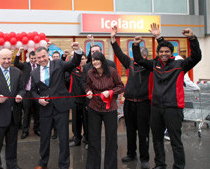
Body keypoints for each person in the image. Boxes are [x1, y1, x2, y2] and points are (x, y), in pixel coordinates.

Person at [132, 28, 202, 169]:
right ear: (157, 54)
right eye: (161, 52)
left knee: (176, 140)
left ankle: (179, 166)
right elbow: (139, 59)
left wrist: (192, 39)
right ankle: (160, 165)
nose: (163, 54)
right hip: (156, 107)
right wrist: (135, 45)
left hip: (173, 108)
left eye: (166, 52)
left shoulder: (180, 65)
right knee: (157, 139)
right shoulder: (154, 65)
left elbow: (196, 57)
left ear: (171, 54)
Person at [110, 24, 163, 169]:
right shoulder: (130, 63)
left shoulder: (149, 66)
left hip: (143, 103)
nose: (136, 58)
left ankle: (144, 157)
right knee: (130, 130)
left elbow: (161, 57)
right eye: (135, 56)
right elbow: (119, 54)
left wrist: (157, 37)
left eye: (139, 56)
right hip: (129, 103)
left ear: (144, 56)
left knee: (143, 131)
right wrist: (113, 39)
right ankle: (131, 153)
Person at [31, 42, 83, 169]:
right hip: (45, 109)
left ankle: (64, 165)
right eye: (38, 58)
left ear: (47, 54)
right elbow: (32, 91)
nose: (41, 59)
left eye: (43, 56)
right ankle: (42, 163)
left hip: (61, 107)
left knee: (63, 138)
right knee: (44, 138)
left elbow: (73, 63)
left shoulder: (58, 63)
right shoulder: (34, 72)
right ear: (35, 59)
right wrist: (39, 99)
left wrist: (77, 51)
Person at [85, 52, 124, 169]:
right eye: (93, 60)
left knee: (111, 139)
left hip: (110, 109)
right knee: (93, 139)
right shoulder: (90, 73)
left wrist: (110, 92)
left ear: (102, 60)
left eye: (97, 60)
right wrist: (89, 92)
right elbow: (88, 86)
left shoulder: (111, 71)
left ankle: (110, 166)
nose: (95, 62)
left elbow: (121, 86)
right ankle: (92, 166)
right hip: (94, 108)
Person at [14, 47, 40, 139]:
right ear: (29, 58)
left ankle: (37, 129)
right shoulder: (25, 65)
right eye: (32, 58)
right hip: (27, 93)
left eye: (35, 58)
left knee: (37, 113)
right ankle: (25, 131)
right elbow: (16, 63)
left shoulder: (40, 66)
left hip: (37, 93)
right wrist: (19, 52)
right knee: (26, 113)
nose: (33, 60)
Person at [65, 54, 88, 147]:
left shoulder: (89, 70)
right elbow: (66, 66)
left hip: (86, 100)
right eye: (80, 59)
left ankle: (87, 140)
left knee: (87, 121)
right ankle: (76, 138)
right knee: (76, 121)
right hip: (75, 99)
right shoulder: (73, 69)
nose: (81, 61)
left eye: (83, 59)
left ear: (86, 59)